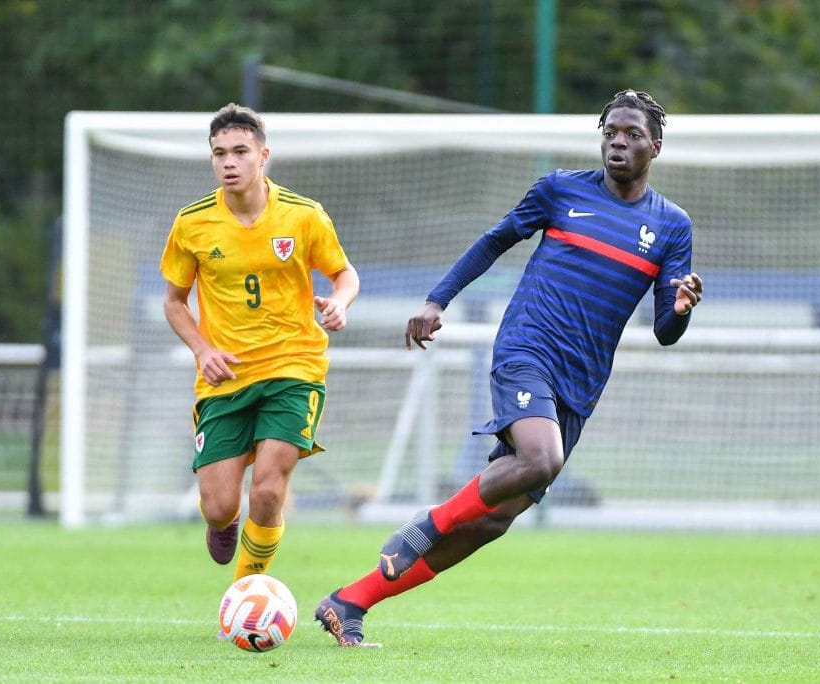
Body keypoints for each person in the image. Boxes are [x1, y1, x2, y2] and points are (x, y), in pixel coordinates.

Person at [314, 90, 702, 647]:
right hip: (528, 347)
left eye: (633, 135)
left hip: (582, 382)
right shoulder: (561, 190)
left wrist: (682, 309)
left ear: (655, 147)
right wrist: (435, 300)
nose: (619, 142)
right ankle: (427, 524)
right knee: (541, 458)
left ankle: (350, 601)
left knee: (492, 522)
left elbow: (666, 329)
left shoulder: (672, 226)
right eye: (611, 132)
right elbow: (496, 240)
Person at [160, 103, 359, 583]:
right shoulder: (192, 223)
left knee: (268, 492)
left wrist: (340, 302)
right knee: (218, 506)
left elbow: (344, 273)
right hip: (226, 379)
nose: (229, 162)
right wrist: (203, 350)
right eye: (219, 153)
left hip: (295, 368)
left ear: (262, 155)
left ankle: (244, 596)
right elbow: (174, 302)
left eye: (240, 152)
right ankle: (222, 522)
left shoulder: (303, 215)